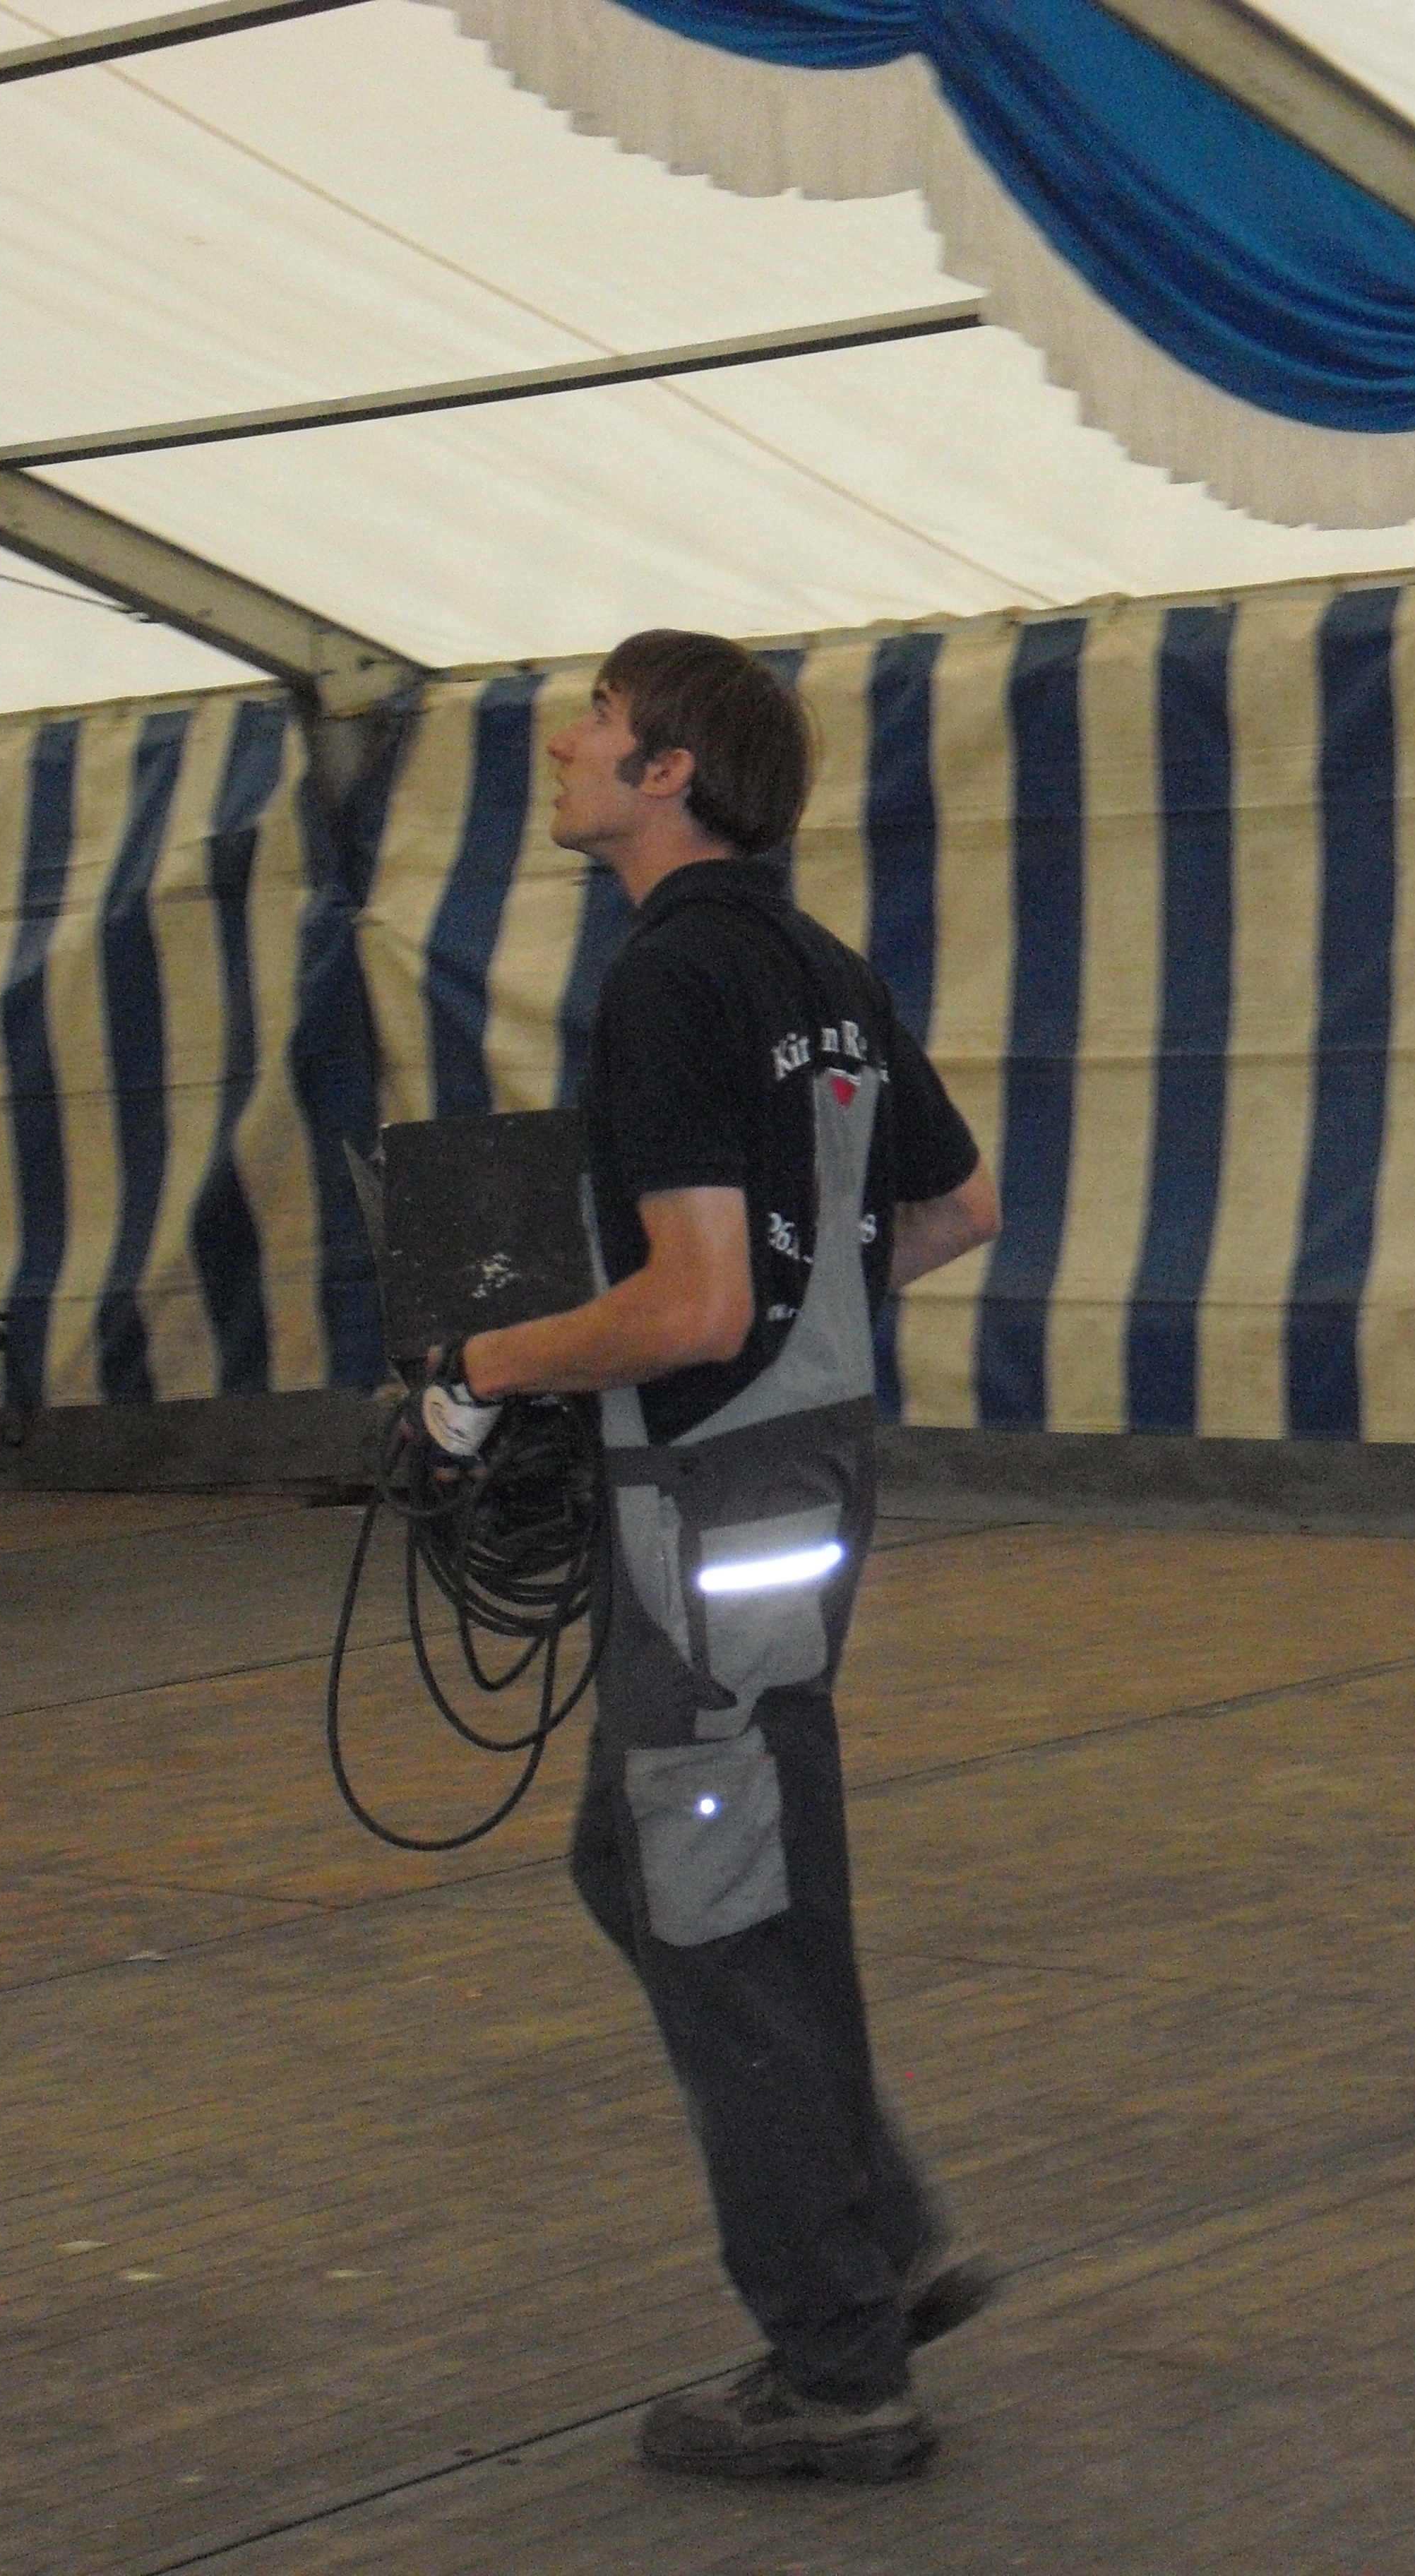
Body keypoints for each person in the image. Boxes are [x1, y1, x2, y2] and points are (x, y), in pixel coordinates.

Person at [424, 630, 1001, 2483]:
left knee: (710, 1896)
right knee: (680, 1860)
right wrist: (804, 1331)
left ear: (668, 772)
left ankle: (838, 2366)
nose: (564, 743)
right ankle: (879, 2235)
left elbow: (688, 1305)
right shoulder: (817, 965)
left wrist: (486, 1366)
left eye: (597, 720)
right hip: (803, 1486)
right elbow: (957, 1203)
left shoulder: (673, 979)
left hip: (712, 1501)